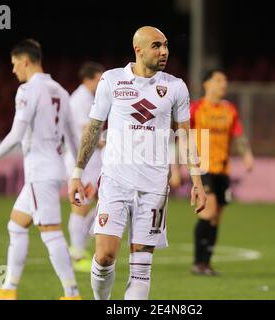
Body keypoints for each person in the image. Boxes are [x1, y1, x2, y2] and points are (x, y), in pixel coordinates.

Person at [68, 26, 207, 300]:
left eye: (166, 45)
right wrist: (77, 172)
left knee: (141, 268)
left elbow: (185, 135)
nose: (164, 51)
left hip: (154, 186)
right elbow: (93, 129)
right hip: (115, 182)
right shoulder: (112, 80)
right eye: (156, 45)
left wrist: (197, 180)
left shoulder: (176, 86)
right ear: (138, 49)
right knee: (105, 256)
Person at [0, 39, 81, 300]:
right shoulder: (60, 90)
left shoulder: (27, 90)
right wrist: (79, 172)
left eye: (14, 64)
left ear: (25, 61)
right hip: (53, 169)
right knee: (16, 224)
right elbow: (74, 139)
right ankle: (9, 288)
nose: (13, 70)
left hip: (40, 171)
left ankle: (72, 293)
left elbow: (16, 134)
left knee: (51, 232)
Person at [190, 69, 254, 276]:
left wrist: (247, 155)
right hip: (202, 166)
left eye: (225, 81)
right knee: (209, 211)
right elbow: (181, 137)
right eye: (218, 80)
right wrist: (175, 167)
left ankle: (206, 263)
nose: (223, 85)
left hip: (223, 169)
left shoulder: (230, 110)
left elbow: (238, 134)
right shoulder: (196, 109)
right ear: (206, 84)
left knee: (216, 217)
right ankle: (198, 262)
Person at [65, 62, 104, 273]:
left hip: (93, 161)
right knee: (81, 206)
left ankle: (78, 247)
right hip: (82, 163)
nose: (101, 83)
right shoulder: (79, 99)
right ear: (88, 79)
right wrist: (104, 141)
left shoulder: (90, 98)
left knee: (101, 203)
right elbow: (82, 132)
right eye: (99, 79)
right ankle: (77, 253)